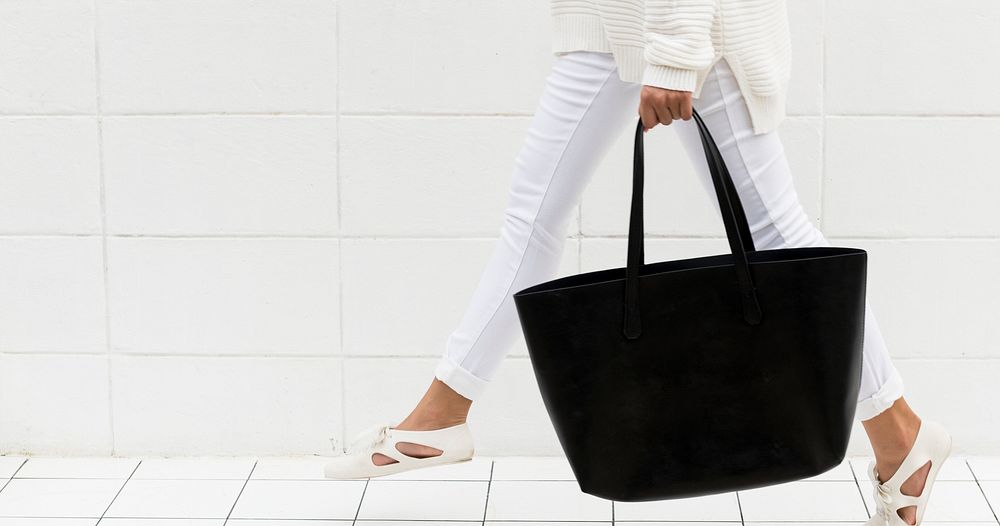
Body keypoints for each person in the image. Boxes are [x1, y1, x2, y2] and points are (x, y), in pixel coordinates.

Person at [324, 2, 953, 524]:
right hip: (611, 22)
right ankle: (442, 415)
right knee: (534, 218)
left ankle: (900, 436)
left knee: (780, 237)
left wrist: (677, 52)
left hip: (688, 22)